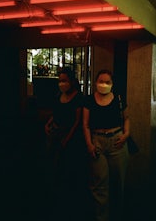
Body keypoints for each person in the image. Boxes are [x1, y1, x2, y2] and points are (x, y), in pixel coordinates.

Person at [83, 69, 130, 221]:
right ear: (96, 82)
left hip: (116, 141)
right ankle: (101, 217)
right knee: (99, 185)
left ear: (112, 84)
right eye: (101, 81)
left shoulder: (118, 99)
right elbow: (85, 124)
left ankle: (118, 216)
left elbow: (126, 118)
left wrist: (126, 134)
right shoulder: (89, 100)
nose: (103, 84)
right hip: (97, 142)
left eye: (107, 82)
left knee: (118, 182)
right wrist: (89, 144)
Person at [44, 67, 86, 220]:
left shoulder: (78, 97)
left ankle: (68, 202)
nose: (62, 84)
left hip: (70, 136)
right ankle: (53, 197)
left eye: (65, 80)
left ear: (71, 81)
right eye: (60, 81)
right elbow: (55, 114)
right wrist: (47, 124)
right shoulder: (58, 95)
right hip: (55, 133)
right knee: (52, 164)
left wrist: (67, 138)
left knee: (67, 167)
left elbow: (77, 121)